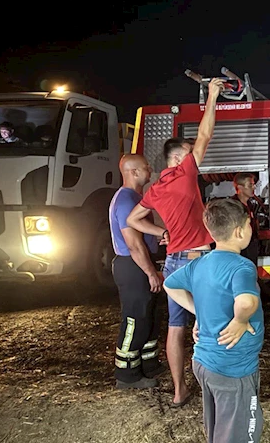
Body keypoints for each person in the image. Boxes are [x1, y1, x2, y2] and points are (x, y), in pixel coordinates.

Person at [126, 77, 224, 407]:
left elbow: (133, 219)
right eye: (188, 153)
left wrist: (161, 233)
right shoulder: (184, 172)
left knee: (176, 328)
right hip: (198, 260)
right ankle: (215, 388)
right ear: (179, 157)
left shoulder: (156, 188)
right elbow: (206, 134)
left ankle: (180, 391)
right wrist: (211, 96)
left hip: (173, 263)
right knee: (209, 324)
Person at [163, 198, 264, 443]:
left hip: (205, 363)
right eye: (250, 224)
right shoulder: (242, 267)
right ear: (240, 231)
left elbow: (170, 284)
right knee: (239, 434)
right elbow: (247, 302)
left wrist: (200, 311)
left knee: (221, 427)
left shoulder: (200, 263)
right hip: (233, 368)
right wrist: (240, 320)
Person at [109, 154, 166, 388]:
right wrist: (150, 272)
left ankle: (148, 364)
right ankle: (127, 374)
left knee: (150, 315)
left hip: (140, 262)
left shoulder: (133, 197)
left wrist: (158, 235)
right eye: (145, 167)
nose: (150, 170)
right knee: (135, 317)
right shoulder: (125, 201)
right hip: (133, 266)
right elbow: (133, 244)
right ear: (133, 172)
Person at [233, 172, 263, 266]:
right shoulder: (234, 207)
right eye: (250, 185)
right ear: (240, 188)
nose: (254, 188)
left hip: (251, 247)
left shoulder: (250, 205)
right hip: (241, 250)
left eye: (254, 185)